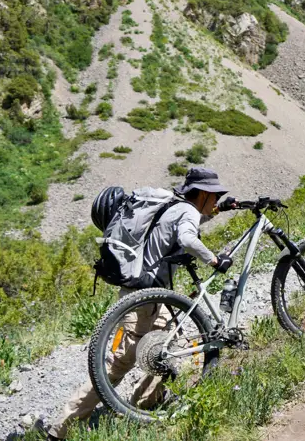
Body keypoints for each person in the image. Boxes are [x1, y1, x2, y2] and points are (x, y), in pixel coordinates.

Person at [45, 167, 237, 440]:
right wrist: (215, 260)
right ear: (204, 193)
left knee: (166, 348)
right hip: (145, 297)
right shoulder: (187, 211)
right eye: (215, 196)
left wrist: (219, 210)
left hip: (143, 294)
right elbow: (186, 237)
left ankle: (145, 404)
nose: (216, 199)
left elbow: (187, 224)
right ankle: (61, 430)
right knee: (119, 364)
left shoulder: (175, 206)